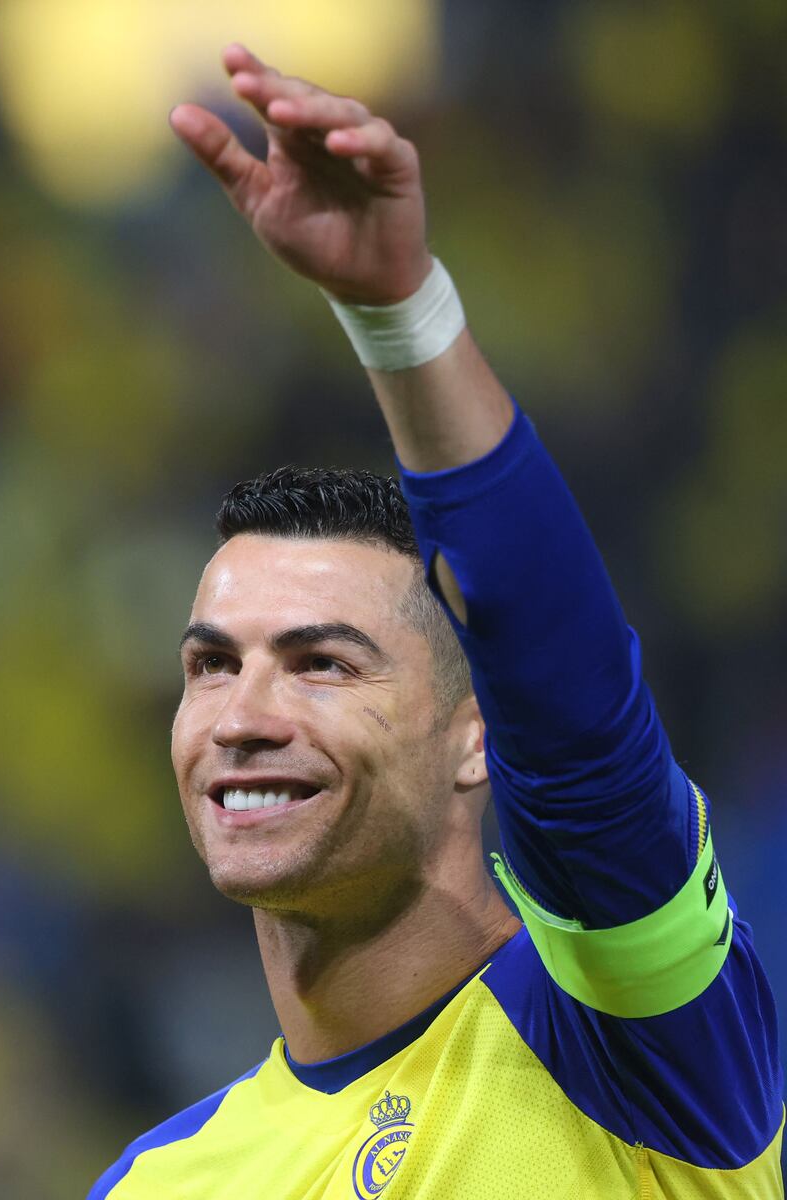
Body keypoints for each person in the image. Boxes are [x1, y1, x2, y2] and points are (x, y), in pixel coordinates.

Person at [88, 43, 784, 1200]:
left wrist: (399, 315)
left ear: (478, 735)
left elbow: (573, 708)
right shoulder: (157, 1180)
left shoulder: (627, 1041)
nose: (243, 716)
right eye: (211, 666)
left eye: (322, 663)